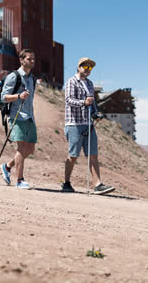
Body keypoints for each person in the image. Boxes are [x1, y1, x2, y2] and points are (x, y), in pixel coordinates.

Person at [61, 57, 115, 195]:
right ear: (79, 67)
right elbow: (68, 100)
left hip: (88, 124)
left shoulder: (90, 84)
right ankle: (66, 183)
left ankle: (97, 184)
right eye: (86, 67)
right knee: (73, 155)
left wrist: (96, 113)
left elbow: (92, 102)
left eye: (90, 68)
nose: (88, 70)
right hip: (74, 124)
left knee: (93, 155)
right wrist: (83, 103)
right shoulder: (71, 81)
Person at [0, 49, 37, 189]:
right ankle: (20, 180)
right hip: (17, 116)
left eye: (33, 59)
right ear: (21, 60)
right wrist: (18, 96)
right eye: (29, 59)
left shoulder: (32, 78)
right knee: (21, 148)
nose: (32, 61)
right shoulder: (13, 76)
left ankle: (7, 166)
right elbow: (4, 97)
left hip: (30, 116)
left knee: (30, 149)